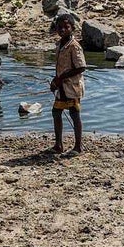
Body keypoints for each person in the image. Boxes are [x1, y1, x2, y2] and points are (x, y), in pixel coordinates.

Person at [49, 13, 86, 155]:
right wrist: (55, 80)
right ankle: (58, 145)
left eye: (66, 27)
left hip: (72, 86)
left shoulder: (74, 46)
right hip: (62, 86)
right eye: (59, 27)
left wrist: (62, 77)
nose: (62, 30)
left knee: (74, 114)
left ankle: (78, 146)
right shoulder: (60, 45)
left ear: (72, 28)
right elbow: (60, 66)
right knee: (56, 112)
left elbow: (81, 67)